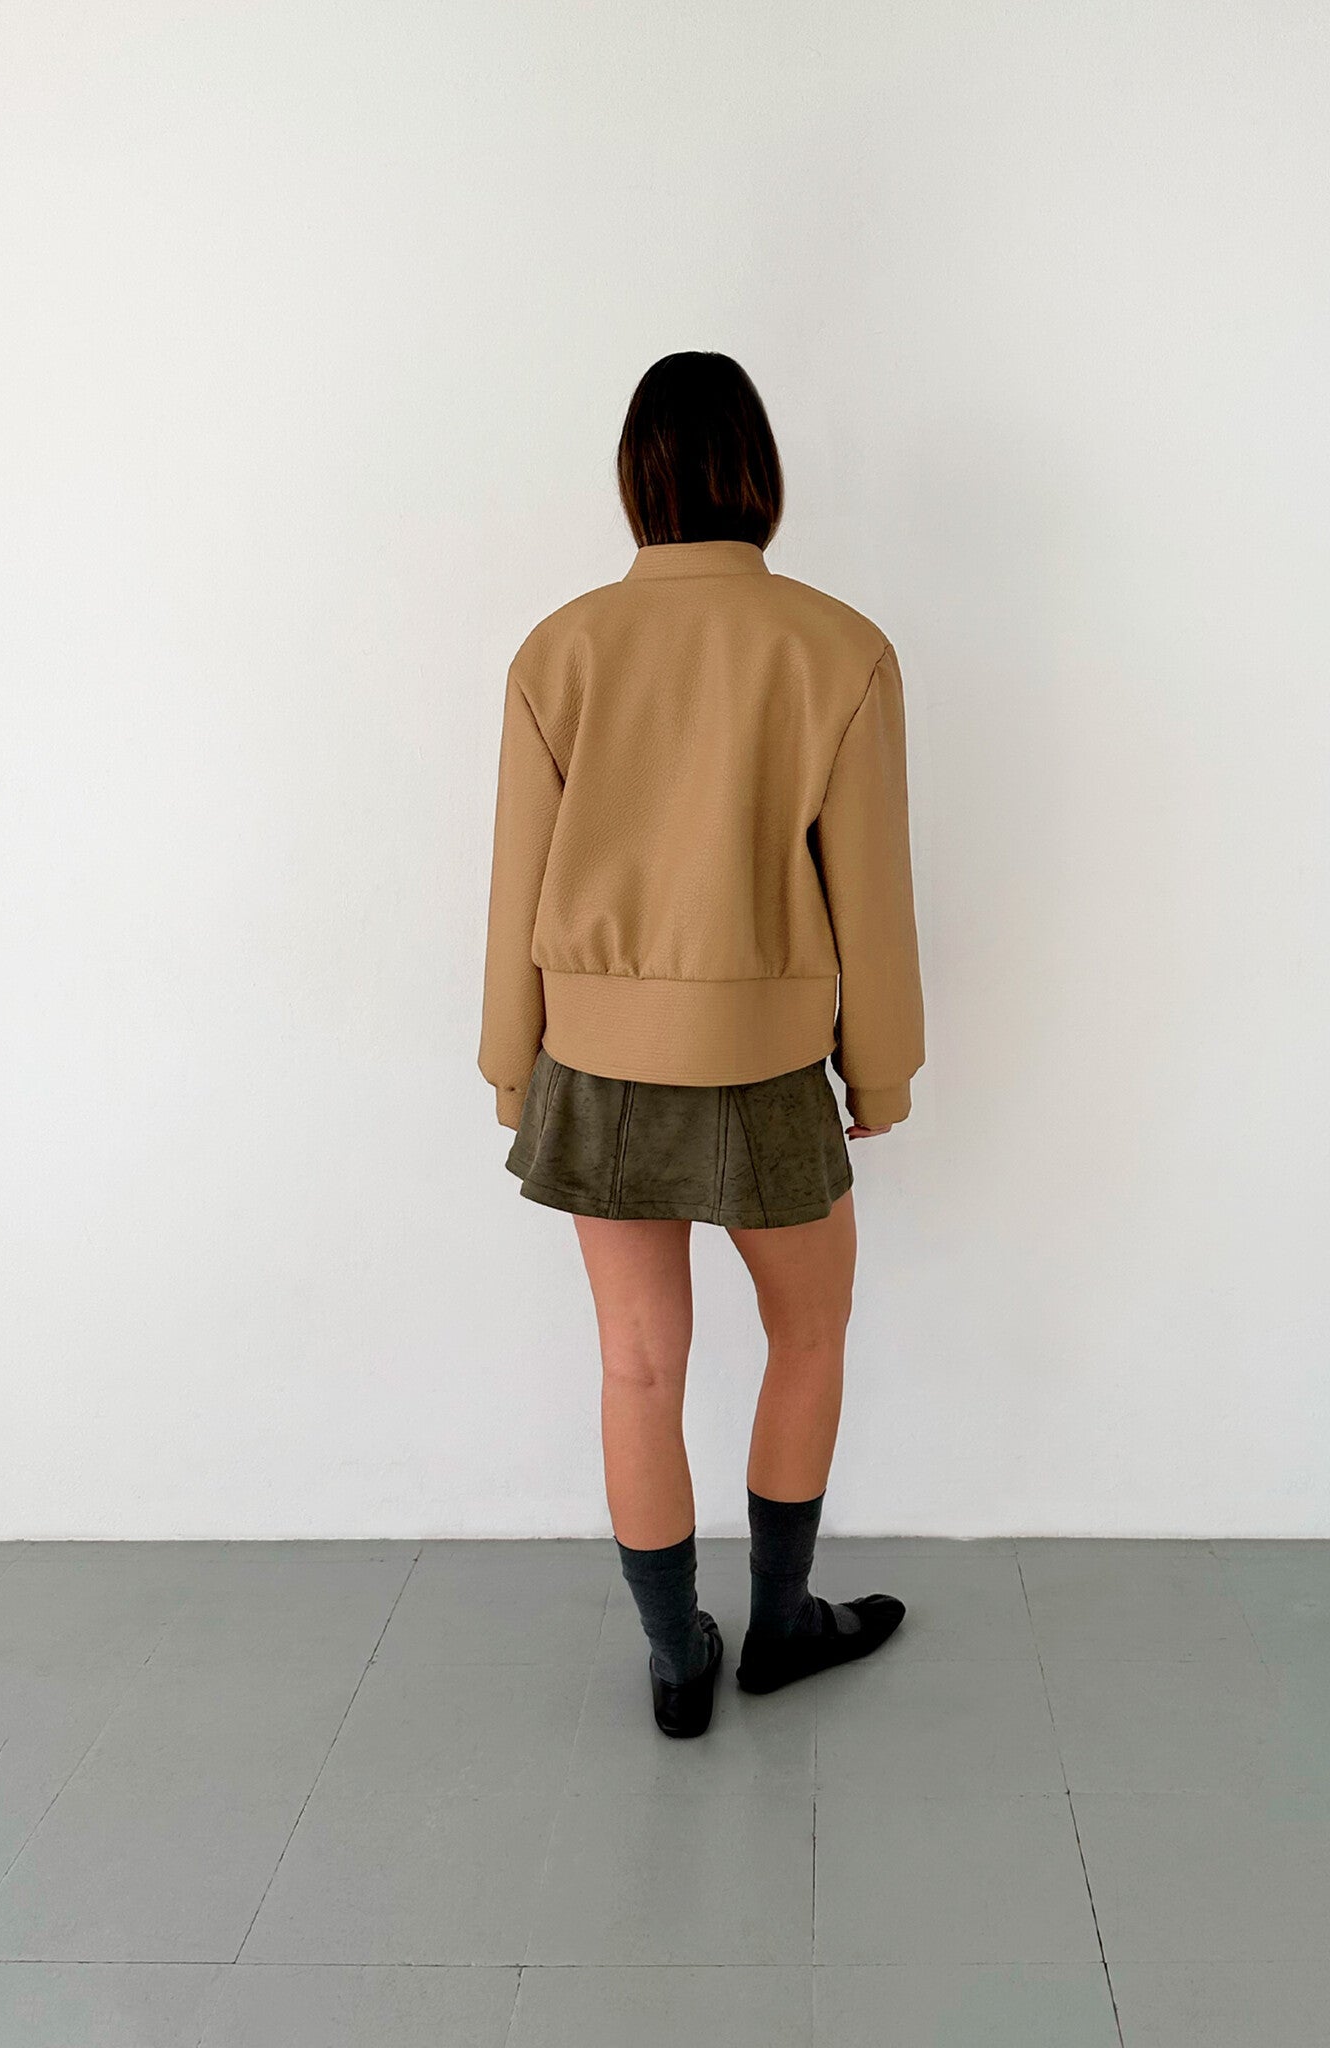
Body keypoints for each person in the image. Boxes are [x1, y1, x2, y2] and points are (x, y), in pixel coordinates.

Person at [478, 351, 925, 1737]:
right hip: (766, 1060)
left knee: (637, 1366)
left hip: (595, 1063)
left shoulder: (561, 649)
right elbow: (871, 888)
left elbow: (516, 884)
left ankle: (678, 1663)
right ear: (760, 477)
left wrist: (511, 1065)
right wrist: (881, 1066)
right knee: (810, 1331)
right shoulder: (839, 647)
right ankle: (781, 1623)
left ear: (636, 480)